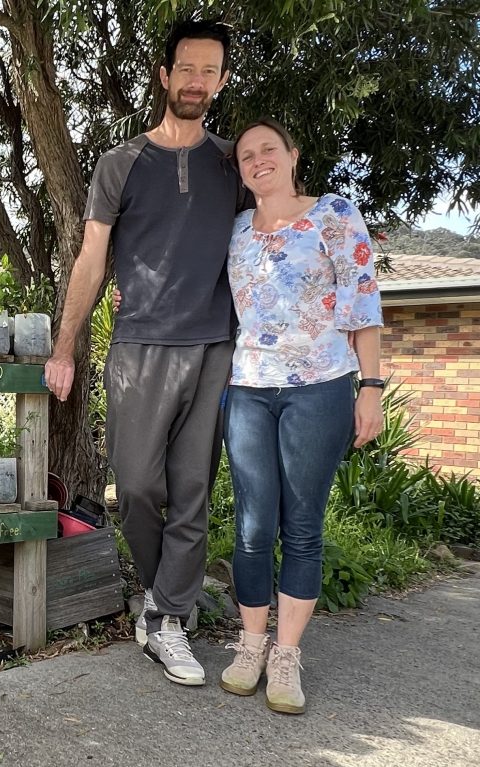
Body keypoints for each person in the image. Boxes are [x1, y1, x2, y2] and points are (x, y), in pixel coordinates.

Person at [45, 19, 245, 686]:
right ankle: (165, 601)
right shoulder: (121, 162)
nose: (195, 80)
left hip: (214, 345)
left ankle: (166, 616)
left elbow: (265, 244)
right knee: (135, 486)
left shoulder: (232, 164)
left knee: (193, 491)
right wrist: (65, 345)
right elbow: (92, 257)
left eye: (208, 70)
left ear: (220, 81)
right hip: (139, 346)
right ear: (164, 76)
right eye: (185, 67)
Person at [217, 117, 383, 714]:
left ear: (292, 154)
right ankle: (251, 644)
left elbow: (363, 302)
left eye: (268, 150)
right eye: (246, 156)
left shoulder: (334, 214)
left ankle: (286, 655)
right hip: (250, 389)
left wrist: (372, 387)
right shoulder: (235, 229)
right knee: (253, 525)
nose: (258, 160)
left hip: (321, 386)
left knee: (303, 525)